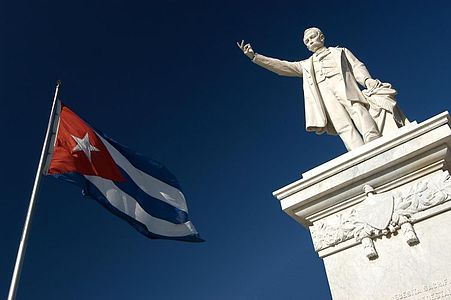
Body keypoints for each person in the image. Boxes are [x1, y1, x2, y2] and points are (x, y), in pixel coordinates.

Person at [238, 27, 381, 151]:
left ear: (322, 37)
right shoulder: (306, 65)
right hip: (324, 91)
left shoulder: (340, 52)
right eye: (307, 41)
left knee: (357, 110)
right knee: (341, 123)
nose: (310, 41)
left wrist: (367, 80)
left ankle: (373, 140)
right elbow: (282, 67)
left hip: (342, 83)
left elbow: (357, 66)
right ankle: (357, 150)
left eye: (312, 37)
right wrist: (255, 57)